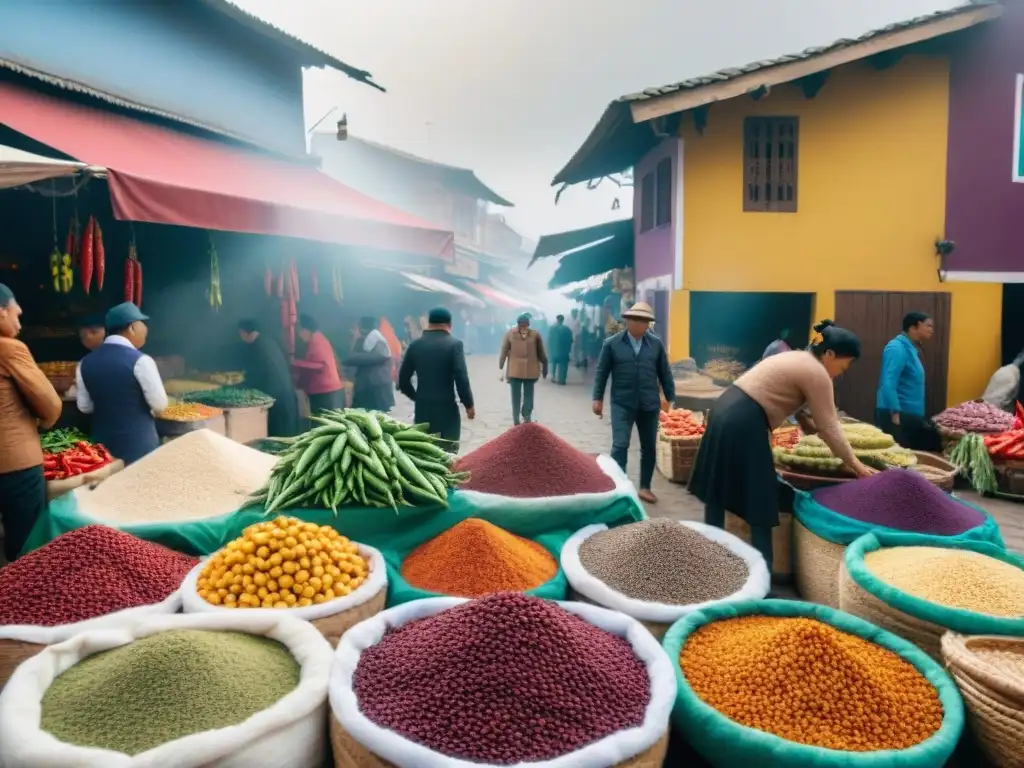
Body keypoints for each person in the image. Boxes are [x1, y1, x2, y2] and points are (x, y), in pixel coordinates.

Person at [689, 320, 876, 568]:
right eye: (844, 366)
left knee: (717, 487)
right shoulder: (816, 372)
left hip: (725, 408)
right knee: (761, 497)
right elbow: (830, 426)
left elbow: (788, 394)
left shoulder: (798, 357)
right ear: (829, 354)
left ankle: (707, 558)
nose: (841, 372)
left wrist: (805, 423)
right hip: (746, 419)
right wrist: (855, 465)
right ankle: (763, 572)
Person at [0, 284, 62, 561]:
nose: (19, 319)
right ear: (1, 312)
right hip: (14, 463)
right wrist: (45, 422)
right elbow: (50, 404)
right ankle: (21, 597)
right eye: (16, 313)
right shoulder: (9, 348)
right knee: (25, 538)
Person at [591, 302, 675, 504]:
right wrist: (597, 398)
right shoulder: (612, 344)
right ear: (627, 321)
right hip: (622, 401)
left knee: (649, 447)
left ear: (648, 324)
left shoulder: (655, 344)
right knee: (620, 445)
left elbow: (665, 372)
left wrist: (670, 398)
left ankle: (645, 487)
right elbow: (602, 372)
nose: (638, 324)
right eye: (635, 319)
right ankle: (620, 487)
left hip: (649, 403)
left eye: (643, 321)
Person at [77, 302, 168, 466]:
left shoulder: (84, 363)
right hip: (139, 447)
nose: (146, 330)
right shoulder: (141, 360)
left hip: (102, 449)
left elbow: (85, 407)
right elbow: (160, 405)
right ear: (132, 328)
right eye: (143, 324)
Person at [398, 307, 475, 451]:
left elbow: (402, 381)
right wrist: (468, 405)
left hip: (423, 408)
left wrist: (417, 397)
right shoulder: (454, 344)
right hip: (447, 408)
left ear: (429, 323)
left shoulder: (415, 345)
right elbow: (461, 377)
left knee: (425, 451)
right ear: (449, 325)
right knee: (449, 451)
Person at [876, 311, 940, 451]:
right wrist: (895, 413)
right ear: (914, 327)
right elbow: (888, 382)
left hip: (910, 416)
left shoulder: (910, 348)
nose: (931, 330)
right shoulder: (896, 348)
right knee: (898, 459)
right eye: (928, 326)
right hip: (898, 416)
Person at [237, 319, 301, 437]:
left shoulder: (258, 347)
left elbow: (258, 374)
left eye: (240, 333)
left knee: (280, 434)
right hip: (286, 392)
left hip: (278, 396)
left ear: (244, 332)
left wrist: (241, 385)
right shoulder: (267, 341)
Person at [500, 313, 547, 425]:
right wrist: (501, 363)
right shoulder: (510, 334)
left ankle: (526, 415)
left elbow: (540, 351)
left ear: (528, 324)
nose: (524, 326)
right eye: (521, 324)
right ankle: (516, 419)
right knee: (515, 396)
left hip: (530, 370)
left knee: (529, 396)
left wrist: (545, 363)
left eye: (525, 324)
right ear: (518, 324)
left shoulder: (535, 335)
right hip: (515, 370)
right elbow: (504, 349)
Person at [292, 314, 344, 414]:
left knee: (323, 421)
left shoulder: (317, 341)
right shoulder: (317, 339)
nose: (299, 335)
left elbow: (320, 365)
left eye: (299, 331)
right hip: (324, 390)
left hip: (324, 391)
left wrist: (296, 363)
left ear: (306, 330)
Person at [346, 316, 395, 412]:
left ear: (363, 328)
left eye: (357, 327)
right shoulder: (374, 338)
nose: (354, 330)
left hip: (372, 386)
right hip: (375, 385)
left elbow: (353, 358)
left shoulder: (372, 339)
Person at [547, 314, 574, 385]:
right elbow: (570, 340)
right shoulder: (567, 329)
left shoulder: (552, 329)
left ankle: (552, 376)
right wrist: (569, 350)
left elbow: (549, 339)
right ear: (563, 320)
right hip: (563, 351)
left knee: (553, 364)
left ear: (557, 320)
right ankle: (562, 380)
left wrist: (549, 349)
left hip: (554, 350)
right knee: (563, 366)